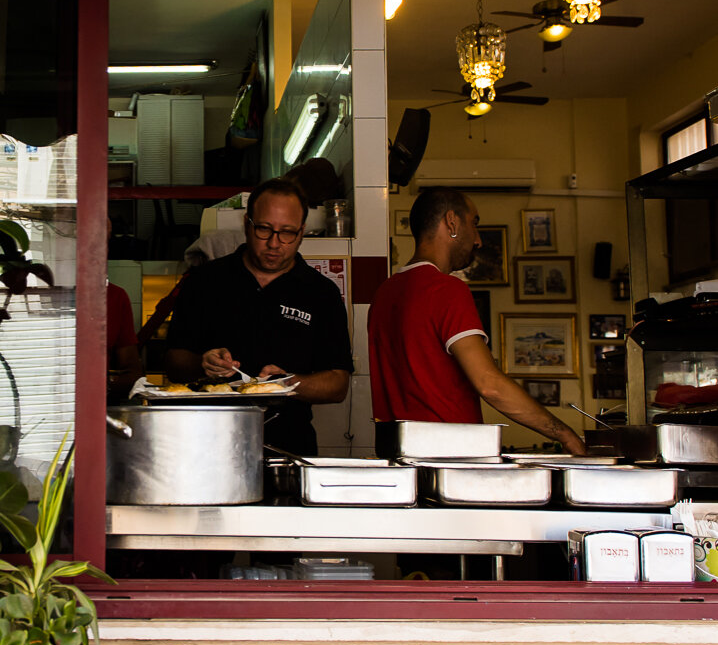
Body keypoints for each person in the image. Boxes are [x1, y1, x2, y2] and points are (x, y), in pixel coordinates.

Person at [370, 185, 585, 455]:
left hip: (396, 454)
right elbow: (489, 384)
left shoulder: (384, 293)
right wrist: (565, 434)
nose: (478, 240)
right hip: (447, 457)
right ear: (451, 222)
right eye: (475, 223)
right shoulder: (446, 289)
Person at [161, 178, 353, 456]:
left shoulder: (321, 293)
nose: (275, 243)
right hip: (207, 444)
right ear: (247, 224)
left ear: (301, 232)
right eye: (264, 229)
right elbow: (173, 362)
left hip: (288, 446)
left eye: (287, 233)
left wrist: (286, 383)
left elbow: (338, 384)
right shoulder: (205, 282)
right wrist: (204, 364)